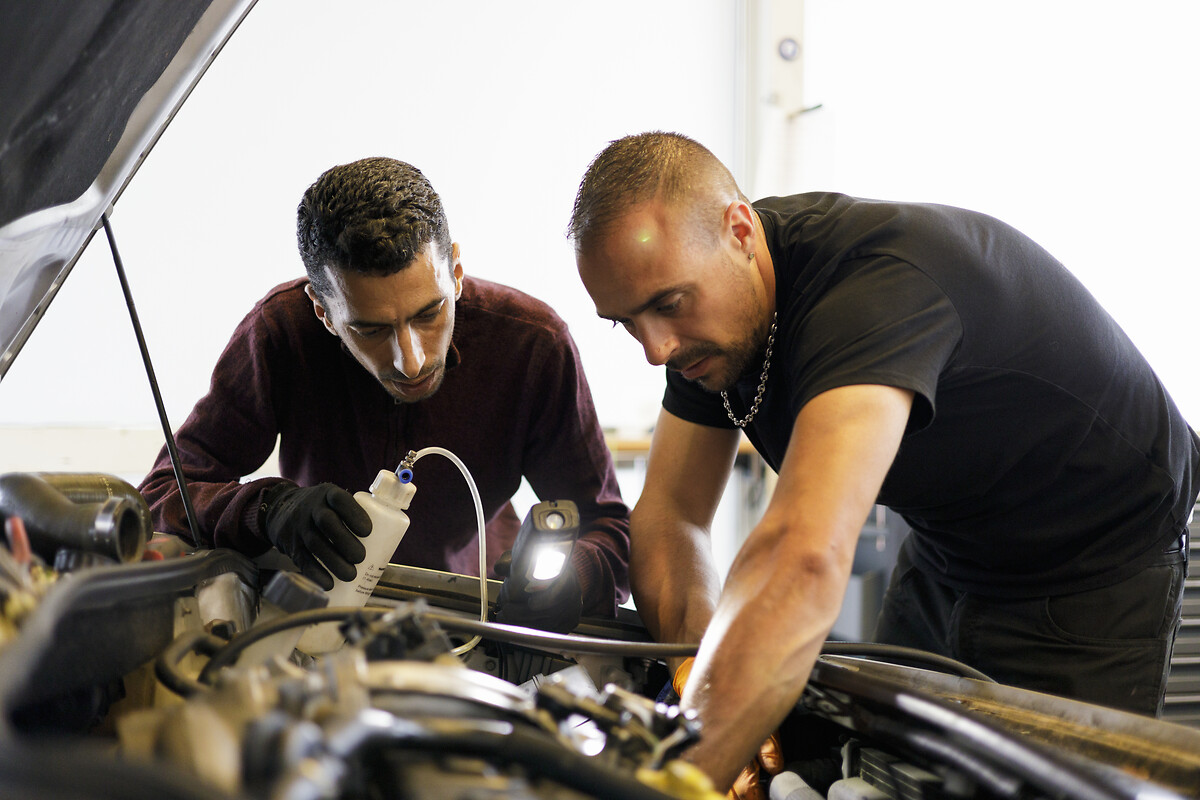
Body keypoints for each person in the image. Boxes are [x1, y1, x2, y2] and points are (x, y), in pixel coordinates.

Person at [568, 130, 1200, 792]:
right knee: (879, 775)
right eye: (627, 322)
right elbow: (672, 515)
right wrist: (701, 677)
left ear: (739, 231)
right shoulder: (705, 323)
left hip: (1091, 566)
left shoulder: (871, 293)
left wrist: (684, 776)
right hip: (947, 546)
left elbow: (802, 553)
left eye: (667, 305)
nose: (655, 349)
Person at [139, 157, 630, 628]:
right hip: (318, 618)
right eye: (371, 330)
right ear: (323, 311)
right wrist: (269, 510)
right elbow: (162, 494)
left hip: (475, 623)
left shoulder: (532, 345)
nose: (410, 361)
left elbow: (609, 532)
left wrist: (577, 580)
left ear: (455, 272)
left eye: (428, 313)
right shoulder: (280, 334)